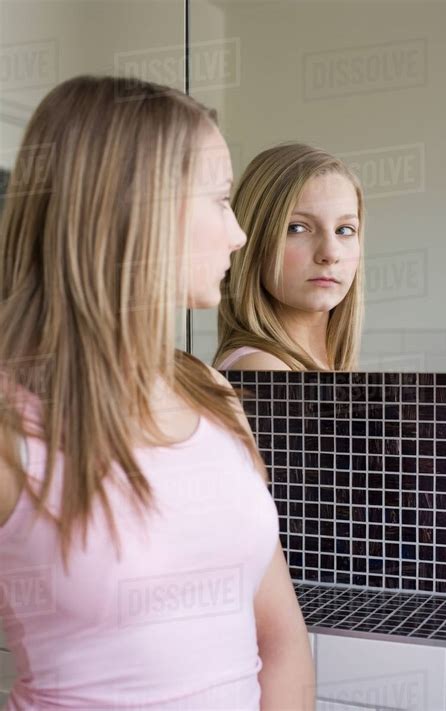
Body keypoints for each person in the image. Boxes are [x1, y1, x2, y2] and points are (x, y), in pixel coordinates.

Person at [0, 76, 315, 709]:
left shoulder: (215, 399)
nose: (239, 235)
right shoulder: (11, 424)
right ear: (134, 207)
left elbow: (280, 641)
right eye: (220, 200)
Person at [213, 143, 365, 371]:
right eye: (297, 228)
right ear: (254, 240)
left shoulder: (316, 366)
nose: (330, 254)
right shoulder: (261, 368)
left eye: (344, 230)